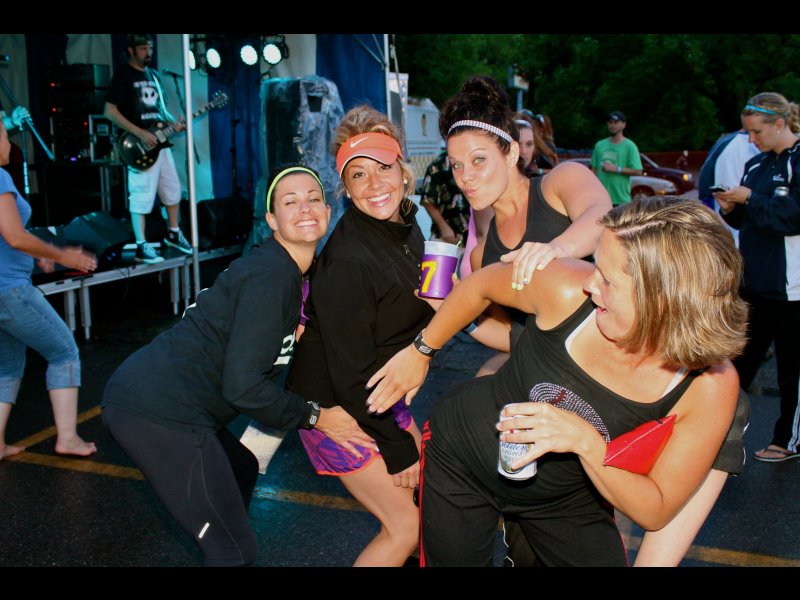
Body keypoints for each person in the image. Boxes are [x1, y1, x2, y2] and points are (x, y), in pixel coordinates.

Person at [366, 196, 746, 567]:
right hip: (462, 456)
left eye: (607, 279)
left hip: (567, 498)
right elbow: (479, 285)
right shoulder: (565, 286)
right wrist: (421, 350)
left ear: (661, 300)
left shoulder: (709, 384)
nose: (590, 284)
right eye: (595, 266)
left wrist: (586, 443)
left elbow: (656, 509)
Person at [101, 165, 375, 566]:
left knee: (241, 466)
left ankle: (223, 536)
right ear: (271, 220)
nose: (305, 208)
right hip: (157, 411)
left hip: (174, 400)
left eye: (313, 198)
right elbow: (244, 387)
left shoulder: (293, 272)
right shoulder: (272, 277)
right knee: (233, 550)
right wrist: (318, 417)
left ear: (328, 211)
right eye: (290, 202)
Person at [286, 106, 433, 566]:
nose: (374, 185)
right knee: (404, 528)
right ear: (345, 189)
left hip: (379, 392)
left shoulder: (405, 223)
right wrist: (395, 446)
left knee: (428, 503)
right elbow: (349, 375)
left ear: (403, 170)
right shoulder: (349, 259)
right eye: (358, 175)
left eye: (383, 168)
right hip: (341, 406)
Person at [0, 117, 98, 461]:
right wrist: (61, 254)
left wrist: (37, 253)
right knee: (64, 352)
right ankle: (68, 439)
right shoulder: (0, 178)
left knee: (7, 368)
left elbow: (9, 236)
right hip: (10, 291)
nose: (9, 143)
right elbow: (14, 236)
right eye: (4, 135)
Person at [716, 92, 800, 463]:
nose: (751, 140)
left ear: (780, 124)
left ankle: (789, 441)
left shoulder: (798, 160)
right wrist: (731, 208)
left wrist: (750, 199)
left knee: (791, 371)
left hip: (792, 288)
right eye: (748, 132)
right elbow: (748, 220)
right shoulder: (757, 164)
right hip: (753, 284)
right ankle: (716, 435)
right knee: (735, 366)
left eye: (757, 132)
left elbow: (792, 217)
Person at [104, 34, 192, 264]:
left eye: (149, 48)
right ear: (131, 50)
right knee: (141, 193)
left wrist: (174, 124)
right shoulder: (123, 76)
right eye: (143, 48)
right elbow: (109, 111)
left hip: (160, 143)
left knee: (172, 188)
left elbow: (160, 110)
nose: (148, 52)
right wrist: (140, 133)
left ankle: (174, 232)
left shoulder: (153, 75)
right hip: (138, 145)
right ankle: (141, 245)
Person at [419, 148, 470, 247]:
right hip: (447, 237)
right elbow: (427, 199)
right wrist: (443, 226)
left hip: (473, 236)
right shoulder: (438, 164)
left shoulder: (475, 162)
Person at [591, 110, 643, 206]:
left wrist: (616, 169)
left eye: (615, 122)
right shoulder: (599, 145)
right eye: (610, 123)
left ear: (624, 124)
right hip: (601, 199)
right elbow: (593, 170)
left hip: (621, 200)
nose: (612, 125)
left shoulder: (630, 146)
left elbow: (638, 171)